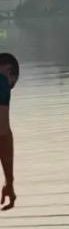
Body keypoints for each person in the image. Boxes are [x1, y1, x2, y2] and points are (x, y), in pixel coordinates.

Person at [0, 53, 19, 212]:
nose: (10, 87)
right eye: (12, 83)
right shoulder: (2, 83)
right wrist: (9, 182)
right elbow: (3, 132)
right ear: (8, 70)